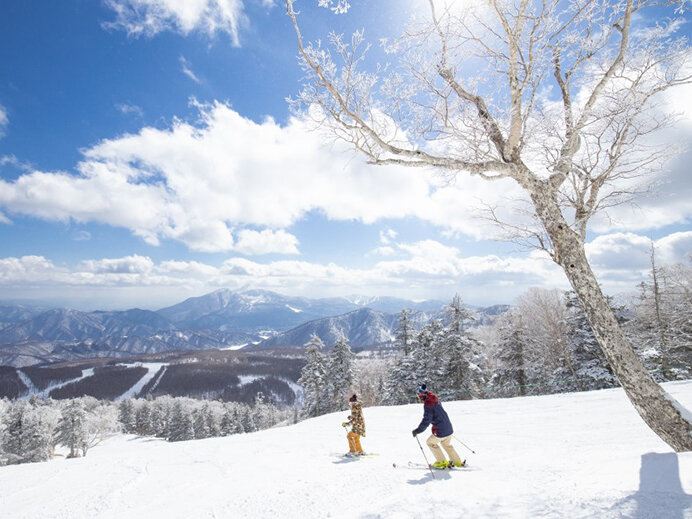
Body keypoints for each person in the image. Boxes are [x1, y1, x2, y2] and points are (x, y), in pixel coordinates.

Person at [411, 384, 464, 469]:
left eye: (419, 396)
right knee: (446, 444)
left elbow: (426, 421)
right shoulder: (435, 399)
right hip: (449, 428)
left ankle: (441, 462)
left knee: (430, 442)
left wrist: (417, 430)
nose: (419, 398)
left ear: (422, 396)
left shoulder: (428, 404)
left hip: (441, 430)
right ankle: (457, 461)